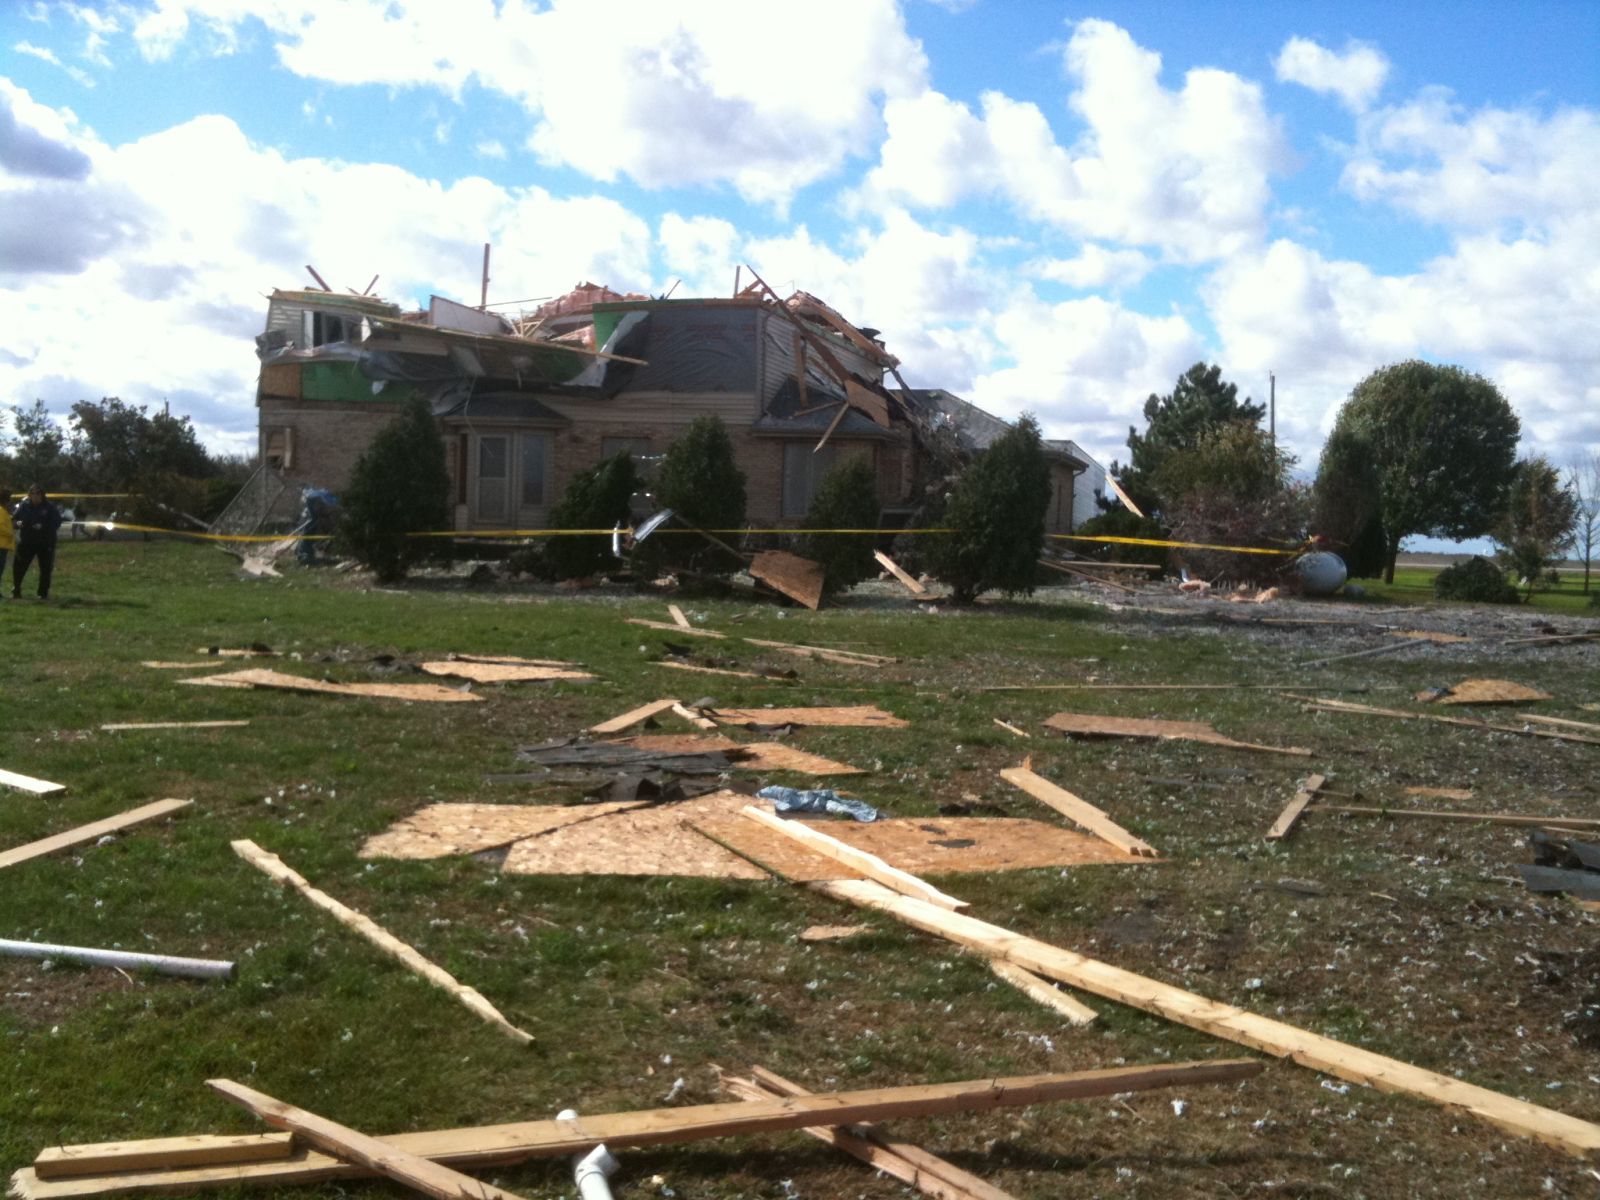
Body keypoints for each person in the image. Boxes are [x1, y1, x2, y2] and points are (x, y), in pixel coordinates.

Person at [12, 485, 63, 600]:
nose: (35, 496)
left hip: (45, 543)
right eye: (32, 494)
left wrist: (43, 527)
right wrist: (22, 524)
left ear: (42, 495)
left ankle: (43, 593)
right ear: (29, 495)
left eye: (38, 493)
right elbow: (15, 521)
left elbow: (57, 522)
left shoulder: (49, 507)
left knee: (45, 568)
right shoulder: (24, 506)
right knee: (19, 566)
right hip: (26, 541)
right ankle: (16, 589)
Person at [0, 490, 13, 593]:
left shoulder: (4, 512)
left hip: (4, 545)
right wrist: (10, 533)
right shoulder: (1, 511)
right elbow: (1, 527)